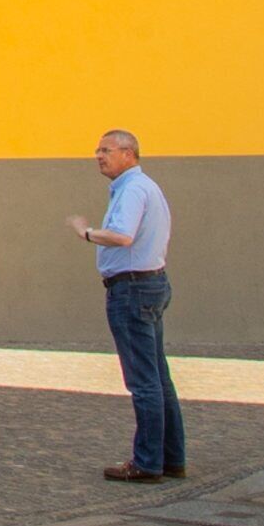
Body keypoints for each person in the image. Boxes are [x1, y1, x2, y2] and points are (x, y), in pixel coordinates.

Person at [68, 128, 184, 483]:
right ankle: (171, 458)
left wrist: (86, 232)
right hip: (149, 282)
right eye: (97, 150)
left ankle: (148, 462)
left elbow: (122, 235)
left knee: (144, 381)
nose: (98, 156)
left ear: (128, 153)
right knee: (158, 379)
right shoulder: (144, 187)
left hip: (132, 289)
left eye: (106, 150)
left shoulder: (133, 189)